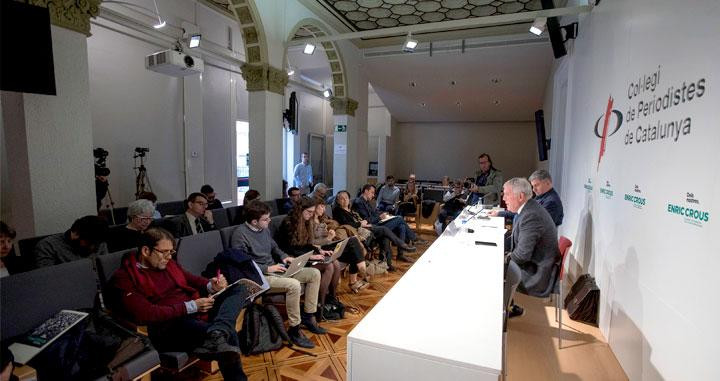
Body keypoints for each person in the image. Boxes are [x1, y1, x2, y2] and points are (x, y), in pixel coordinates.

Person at [108, 228, 247, 381]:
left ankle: (218, 331)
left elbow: (191, 279)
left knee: (239, 288)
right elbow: (146, 313)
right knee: (228, 335)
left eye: (171, 252)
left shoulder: (168, 264)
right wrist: (191, 306)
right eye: (164, 252)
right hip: (169, 325)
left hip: (193, 310)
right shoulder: (124, 278)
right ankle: (219, 335)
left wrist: (211, 285)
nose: (169, 257)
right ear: (146, 251)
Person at [229, 200, 324, 348]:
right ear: (254, 221)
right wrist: (267, 268)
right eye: (266, 219)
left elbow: (275, 248)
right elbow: (243, 265)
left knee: (314, 274)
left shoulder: (264, 229)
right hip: (258, 276)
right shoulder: (240, 235)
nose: (269, 221)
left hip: (275, 268)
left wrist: (285, 257)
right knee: (294, 285)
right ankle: (294, 329)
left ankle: (309, 316)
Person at [502, 178, 559, 319]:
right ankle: (506, 306)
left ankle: (501, 315)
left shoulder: (531, 215)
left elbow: (522, 255)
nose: (503, 198)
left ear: (520, 196)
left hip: (537, 272)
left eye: (506, 194)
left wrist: (502, 258)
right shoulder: (529, 208)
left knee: (492, 271)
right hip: (536, 263)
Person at [332, 191, 411, 272]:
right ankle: (402, 244)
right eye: (341, 198)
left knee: (385, 237)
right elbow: (346, 224)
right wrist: (360, 224)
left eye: (346, 197)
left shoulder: (351, 210)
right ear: (338, 201)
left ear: (349, 199)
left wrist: (365, 223)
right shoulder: (338, 211)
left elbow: (361, 219)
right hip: (359, 233)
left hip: (365, 228)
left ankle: (388, 264)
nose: (345, 199)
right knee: (384, 229)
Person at [353, 185, 426, 260]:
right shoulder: (358, 202)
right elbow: (366, 220)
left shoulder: (366, 202)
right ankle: (413, 238)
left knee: (402, 226)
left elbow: (374, 214)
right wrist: (379, 217)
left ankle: (401, 255)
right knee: (400, 218)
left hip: (376, 223)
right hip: (371, 227)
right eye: (372, 192)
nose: (373, 195)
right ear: (366, 191)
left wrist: (384, 214)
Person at [489, 170, 564, 226]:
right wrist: (499, 213)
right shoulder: (541, 196)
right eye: (533, 186)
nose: (534, 189)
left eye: (536, 185)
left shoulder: (551, 202)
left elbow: (534, 223)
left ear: (547, 183)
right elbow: (523, 211)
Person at [33, 216, 109, 269]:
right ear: (76, 233)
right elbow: (46, 278)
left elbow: (105, 269)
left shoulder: (100, 243)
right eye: (89, 243)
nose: (93, 248)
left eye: (96, 244)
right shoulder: (48, 246)